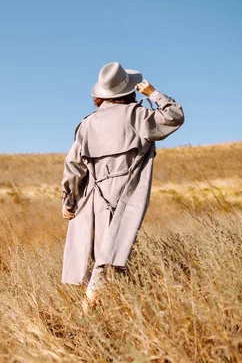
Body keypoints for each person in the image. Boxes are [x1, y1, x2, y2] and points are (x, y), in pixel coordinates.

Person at [60, 62, 184, 307]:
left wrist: (69, 200)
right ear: (129, 91)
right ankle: (90, 314)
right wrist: (154, 94)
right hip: (125, 195)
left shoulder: (87, 124)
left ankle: (106, 313)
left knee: (100, 257)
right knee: (109, 260)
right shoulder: (138, 116)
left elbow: (73, 166)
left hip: (92, 199)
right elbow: (174, 116)